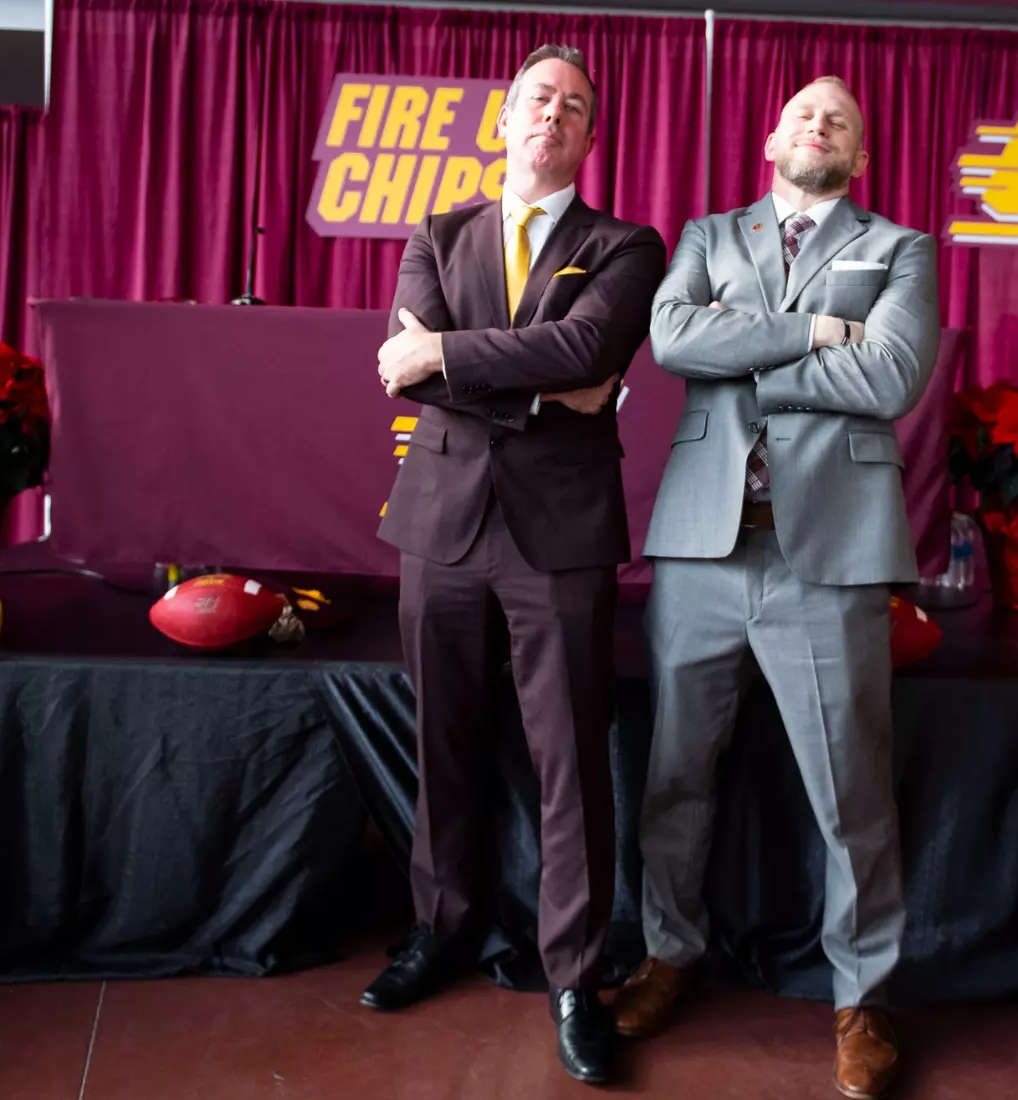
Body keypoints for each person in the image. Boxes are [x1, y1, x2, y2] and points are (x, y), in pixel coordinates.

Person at [616, 75, 940, 1100]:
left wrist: (745, 349)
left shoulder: (901, 248)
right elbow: (675, 340)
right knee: (675, 774)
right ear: (771, 139)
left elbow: (891, 376)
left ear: (861, 156)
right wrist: (816, 333)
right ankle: (669, 954)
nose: (820, 123)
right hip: (701, 549)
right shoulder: (708, 236)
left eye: (840, 118)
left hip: (831, 554)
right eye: (804, 112)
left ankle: (863, 996)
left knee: (852, 792)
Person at [365, 44, 665, 1087]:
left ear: (591, 136)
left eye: (575, 106)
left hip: (562, 534)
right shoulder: (437, 233)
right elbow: (405, 369)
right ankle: (440, 926)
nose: (554, 114)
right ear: (504, 119)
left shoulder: (626, 245)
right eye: (540, 97)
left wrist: (451, 354)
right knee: (442, 740)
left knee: (571, 758)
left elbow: (586, 350)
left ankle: (574, 976)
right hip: (441, 523)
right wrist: (545, 386)